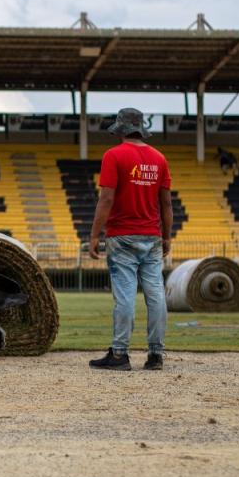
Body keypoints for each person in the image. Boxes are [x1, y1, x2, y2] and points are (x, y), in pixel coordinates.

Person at [87, 107, 173, 371]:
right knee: (156, 294)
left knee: (124, 295)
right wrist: (167, 236)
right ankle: (156, 354)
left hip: (122, 236)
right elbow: (166, 204)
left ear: (121, 129)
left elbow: (107, 198)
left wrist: (93, 235)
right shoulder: (159, 158)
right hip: (152, 235)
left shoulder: (114, 155)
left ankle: (120, 353)